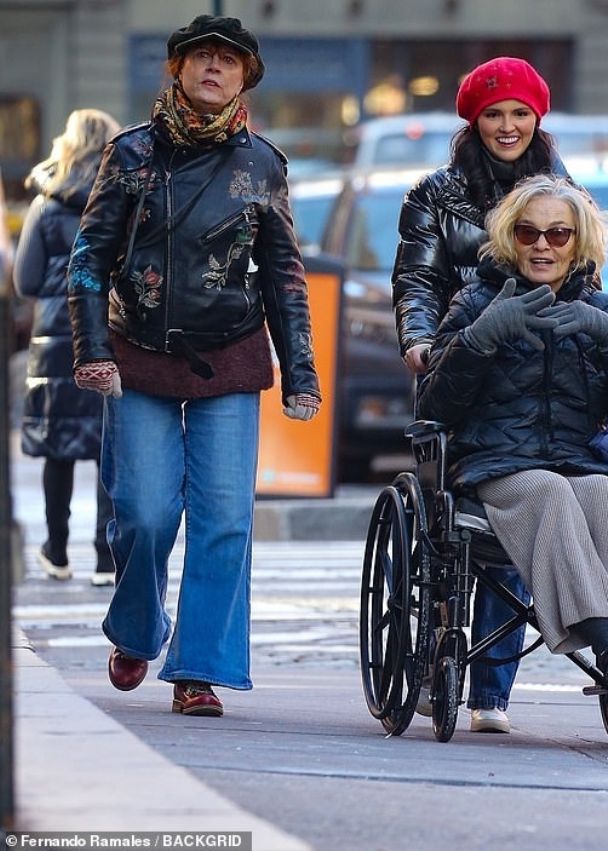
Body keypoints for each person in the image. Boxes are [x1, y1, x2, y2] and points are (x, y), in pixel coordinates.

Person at [67, 14, 321, 718]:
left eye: (230, 60)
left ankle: (198, 668)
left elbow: (284, 275)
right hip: (140, 355)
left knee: (225, 518)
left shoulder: (263, 165)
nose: (215, 67)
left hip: (230, 355)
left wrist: (300, 371)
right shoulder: (130, 156)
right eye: (201, 57)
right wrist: (92, 350)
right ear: (175, 69)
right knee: (144, 513)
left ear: (246, 77)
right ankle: (138, 630)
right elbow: (87, 262)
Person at [417, 173, 608, 688]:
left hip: (580, 461)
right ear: (509, 238)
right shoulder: (476, 305)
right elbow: (436, 405)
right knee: (549, 490)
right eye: (528, 233)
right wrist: (479, 340)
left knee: (605, 494)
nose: (542, 245)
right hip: (496, 467)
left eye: (558, 234)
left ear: (577, 243)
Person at [392, 56, 567, 733]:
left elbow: (583, 275)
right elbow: (416, 280)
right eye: (494, 113)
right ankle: (442, 665)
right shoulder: (435, 194)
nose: (507, 125)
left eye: (519, 113)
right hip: (460, 365)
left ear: (536, 119)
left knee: (528, 492)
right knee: (453, 530)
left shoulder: (559, 191)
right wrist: (418, 339)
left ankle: (491, 692)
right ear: (473, 121)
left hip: (535, 375)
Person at [13, 109, 121, 586]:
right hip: (110, 327)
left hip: (56, 334)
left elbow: (26, 280)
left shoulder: (45, 203)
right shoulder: (120, 198)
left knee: (59, 444)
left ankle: (56, 551)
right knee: (107, 445)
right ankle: (104, 555)